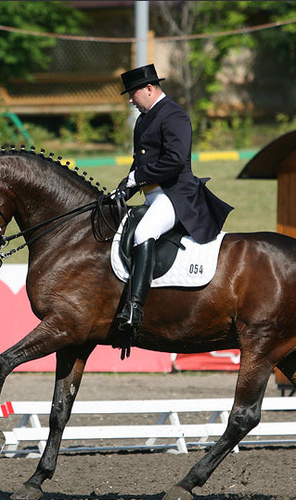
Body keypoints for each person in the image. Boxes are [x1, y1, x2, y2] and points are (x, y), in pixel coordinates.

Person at [113, 64, 234, 333]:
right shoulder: (144, 119)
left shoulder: (174, 116)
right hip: (152, 195)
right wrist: (125, 188)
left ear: (149, 88)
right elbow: (140, 163)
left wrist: (138, 177)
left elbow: (175, 161)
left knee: (143, 233)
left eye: (133, 93)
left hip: (175, 195)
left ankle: (134, 306)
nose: (130, 99)